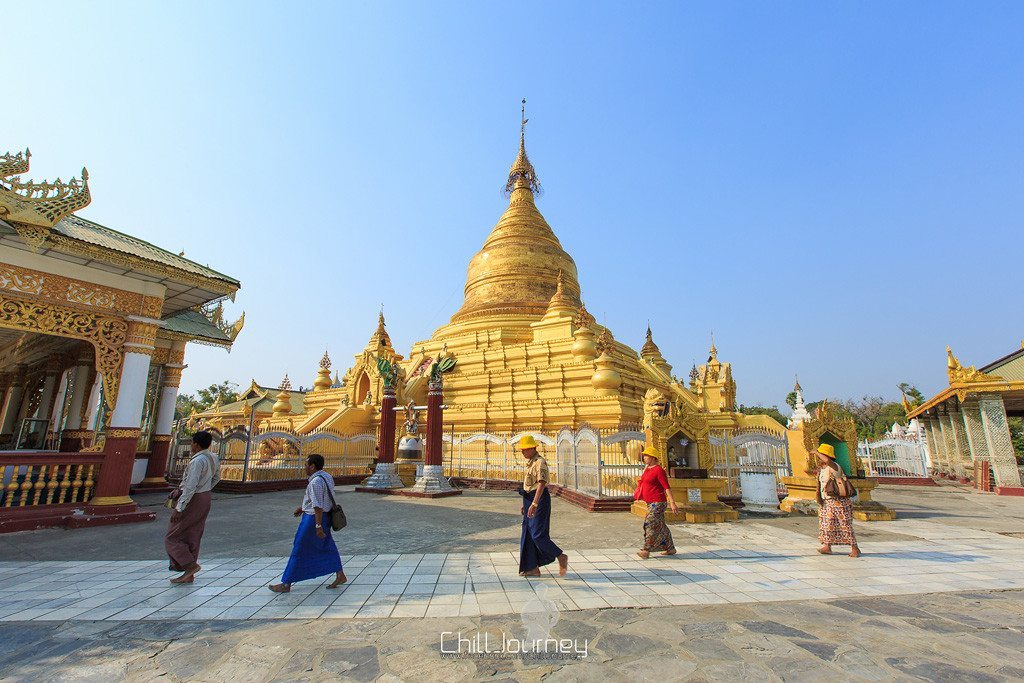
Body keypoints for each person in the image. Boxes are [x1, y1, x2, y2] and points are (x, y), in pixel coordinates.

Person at [269, 453, 347, 592]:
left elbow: (318, 505)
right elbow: (322, 499)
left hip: (314, 519)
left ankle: (286, 583)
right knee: (326, 544)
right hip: (323, 516)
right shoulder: (327, 476)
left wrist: (317, 526)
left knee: (299, 547)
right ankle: (340, 574)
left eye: (306, 465)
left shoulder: (316, 482)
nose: (304, 467)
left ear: (312, 466)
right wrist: (303, 508)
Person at [165, 430, 219, 584]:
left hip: (193, 498)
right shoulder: (213, 457)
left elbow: (190, 486)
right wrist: (206, 488)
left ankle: (190, 566)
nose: (191, 445)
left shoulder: (197, 461)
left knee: (172, 536)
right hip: (205, 496)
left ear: (195, 443)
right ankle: (189, 575)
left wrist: (180, 507)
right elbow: (217, 478)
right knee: (193, 534)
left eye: (192, 442)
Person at [517, 435, 568, 578]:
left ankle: (560, 555)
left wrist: (534, 503)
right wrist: (525, 504)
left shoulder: (540, 462)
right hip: (529, 499)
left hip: (538, 500)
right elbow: (529, 485)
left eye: (525, 449)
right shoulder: (531, 462)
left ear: (533, 448)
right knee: (527, 534)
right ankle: (532, 567)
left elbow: (541, 483)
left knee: (538, 535)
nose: (523, 452)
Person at [815, 444, 861, 558]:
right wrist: (819, 498)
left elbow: (827, 461)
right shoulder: (822, 469)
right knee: (827, 524)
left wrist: (816, 452)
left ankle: (854, 547)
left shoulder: (834, 466)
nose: (818, 458)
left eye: (820, 455)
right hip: (827, 501)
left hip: (839, 501)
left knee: (844, 524)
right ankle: (827, 546)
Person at [633, 445, 679, 559]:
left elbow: (666, 487)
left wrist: (672, 502)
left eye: (647, 455)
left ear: (653, 457)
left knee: (650, 524)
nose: (644, 457)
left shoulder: (659, 470)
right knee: (661, 525)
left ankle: (646, 549)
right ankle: (670, 548)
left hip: (658, 502)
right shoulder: (647, 469)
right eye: (644, 455)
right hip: (650, 502)